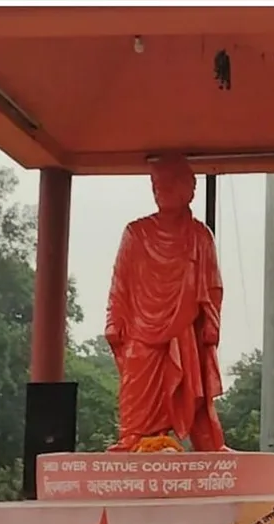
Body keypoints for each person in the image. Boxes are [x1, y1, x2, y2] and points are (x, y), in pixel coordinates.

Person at [105, 155, 228, 452]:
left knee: (192, 385)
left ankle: (209, 444)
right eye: (155, 184)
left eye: (167, 183)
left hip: (184, 326)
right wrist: (113, 319)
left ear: (189, 189)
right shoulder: (136, 233)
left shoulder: (200, 236)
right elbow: (120, 280)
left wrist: (211, 322)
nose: (159, 190)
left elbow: (212, 286)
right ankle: (135, 441)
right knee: (136, 392)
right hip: (140, 328)